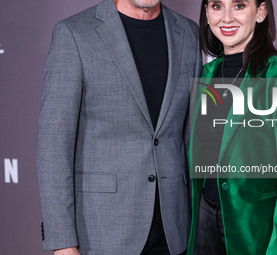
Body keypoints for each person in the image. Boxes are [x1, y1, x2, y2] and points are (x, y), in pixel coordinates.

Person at [36, 0, 201, 254]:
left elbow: (193, 138)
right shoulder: (74, 33)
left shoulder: (188, 32)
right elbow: (54, 147)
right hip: (104, 233)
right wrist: (63, 243)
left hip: (175, 231)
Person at [188, 0, 277, 254]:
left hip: (256, 228)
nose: (226, 18)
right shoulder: (205, 74)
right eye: (216, 6)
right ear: (206, 13)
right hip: (203, 224)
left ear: (260, 12)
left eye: (239, 6)